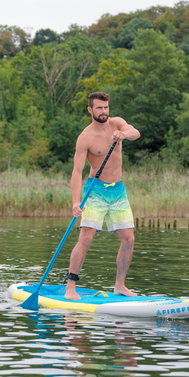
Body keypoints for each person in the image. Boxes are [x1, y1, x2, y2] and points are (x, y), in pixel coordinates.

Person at [65, 92, 141, 300]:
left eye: (106, 107)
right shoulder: (85, 137)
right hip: (95, 190)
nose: (104, 112)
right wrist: (75, 201)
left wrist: (123, 134)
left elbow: (135, 132)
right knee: (86, 237)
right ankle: (71, 287)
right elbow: (76, 172)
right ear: (90, 110)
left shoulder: (117, 124)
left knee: (128, 239)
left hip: (118, 191)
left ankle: (120, 285)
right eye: (99, 108)